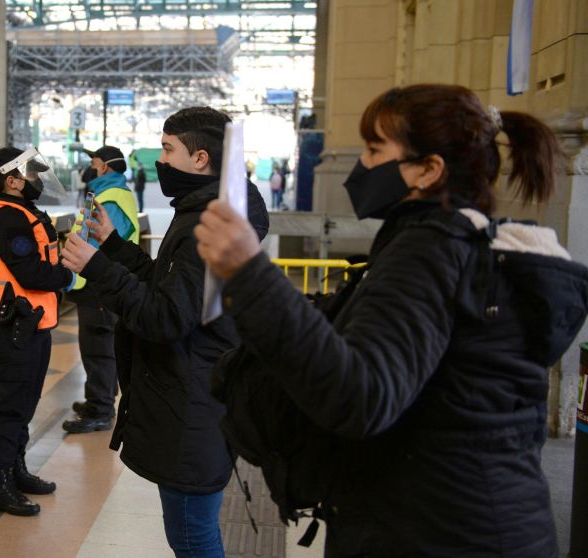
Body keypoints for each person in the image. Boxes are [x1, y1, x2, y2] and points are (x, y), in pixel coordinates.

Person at [195, 84, 588, 556]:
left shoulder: (431, 248)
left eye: (375, 148)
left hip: (435, 534)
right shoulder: (467, 247)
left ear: (427, 169)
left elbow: (363, 395)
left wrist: (251, 274)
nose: (362, 163)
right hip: (470, 523)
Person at [59, 107, 269, 557]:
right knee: (190, 531)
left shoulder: (204, 225)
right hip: (194, 396)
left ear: (199, 159)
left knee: (193, 537)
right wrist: (115, 247)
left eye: (168, 148)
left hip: (193, 405)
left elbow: (164, 317)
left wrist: (95, 266)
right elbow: (171, 287)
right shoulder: (205, 211)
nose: (161, 159)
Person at [0, 147, 74, 517]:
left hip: (28, 319)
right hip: (9, 321)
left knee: (24, 402)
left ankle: (17, 470)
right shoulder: (5, 218)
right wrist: (70, 275)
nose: (37, 182)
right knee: (11, 406)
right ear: (11, 181)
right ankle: (1, 484)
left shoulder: (19, 212)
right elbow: (29, 273)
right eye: (31, 175)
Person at [62, 145, 139, 434]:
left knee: (98, 347)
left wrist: (71, 275)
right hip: (97, 280)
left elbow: (95, 244)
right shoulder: (112, 194)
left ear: (105, 167)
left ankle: (100, 409)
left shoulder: (110, 198)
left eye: (94, 164)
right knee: (97, 345)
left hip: (96, 282)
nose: (91, 170)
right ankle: (99, 399)